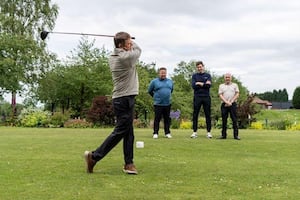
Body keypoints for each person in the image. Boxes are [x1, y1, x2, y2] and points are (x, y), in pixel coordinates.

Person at [84, 31, 142, 174]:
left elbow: (130, 48)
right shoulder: (124, 58)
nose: (131, 45)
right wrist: (132, 41)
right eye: (128, 43)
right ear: (121, 45)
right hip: (124, 99)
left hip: (123, 98)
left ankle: (129, 164)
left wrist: (125, 40)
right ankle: (94, 156)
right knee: (121, 131)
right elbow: (138, 50)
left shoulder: (114, 55)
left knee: (128, 132)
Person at [148, 67, 174, 139]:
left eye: (164, 73)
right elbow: (149, 91)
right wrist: (156, 97)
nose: (163, 74)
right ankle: (155, 133)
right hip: (158, 104)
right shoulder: (154, 82)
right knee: (157, 119)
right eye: (162, 73)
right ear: (159, 73)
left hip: (167, 103)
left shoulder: (170, 81)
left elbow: (171, 90)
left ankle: (167, 133)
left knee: (167, 119)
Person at [190, 61, 212, 139]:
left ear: (203, 66)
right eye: (198, 67)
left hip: (206, 97)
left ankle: (208, 132)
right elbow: (193, 86)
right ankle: (194, 132)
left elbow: (208, 86)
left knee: (208, 115)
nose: (199, 68)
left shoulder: (208, 75)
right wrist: (203, 84)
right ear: (197, 68)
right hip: (197, 97)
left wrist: (199, 83)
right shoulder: (194, 76)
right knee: (195, 114)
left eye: (200, 66)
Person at [218, 73, 240, 140]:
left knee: (234, 120)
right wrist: (226, 102)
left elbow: (237, 94)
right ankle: (223, 135)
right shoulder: (221, 86)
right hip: (224, 104)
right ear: (224, 78)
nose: (227, 78)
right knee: (224, 120)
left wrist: (231, 101)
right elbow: (220, 95)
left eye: (228, 77)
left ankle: (236, 135)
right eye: (226, 77)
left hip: (233, 104)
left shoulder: (235, 85)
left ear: (231, 78)